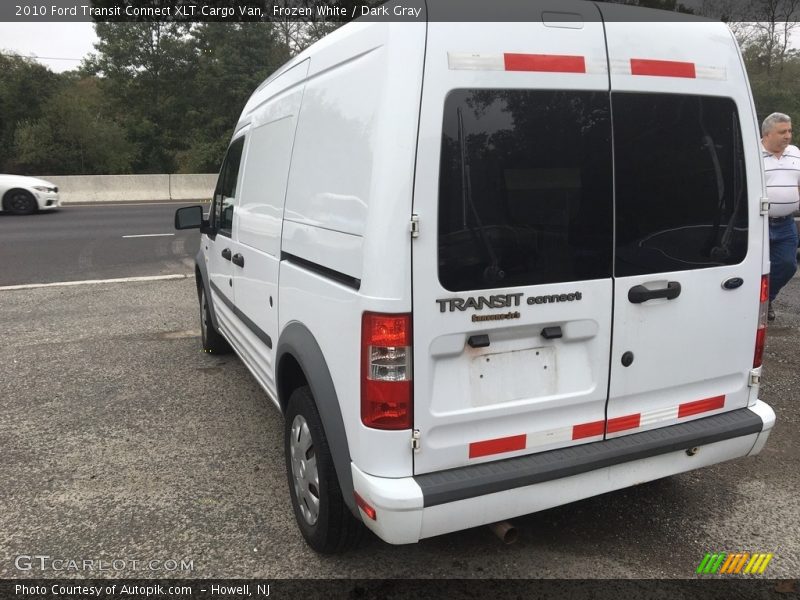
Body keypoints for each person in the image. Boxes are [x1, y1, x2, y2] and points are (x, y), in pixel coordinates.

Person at [761, 112, 800, 320]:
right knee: (756, 267)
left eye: (790, 131)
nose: (788, 136)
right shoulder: (752, 153)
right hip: (759, 224)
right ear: (767, 134)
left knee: (787, 265)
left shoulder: (795, 152)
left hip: (786, 224)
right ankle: (752, 303)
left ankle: (767, 300)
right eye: (782, 131)